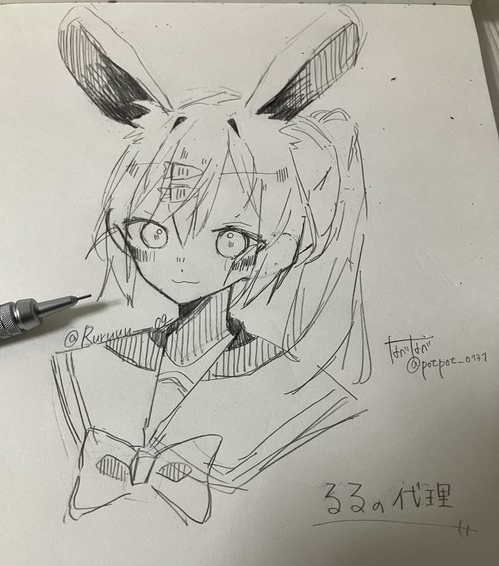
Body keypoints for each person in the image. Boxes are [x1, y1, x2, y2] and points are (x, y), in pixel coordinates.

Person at [52, 7, 371, 523]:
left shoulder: (302, 394)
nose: (181, 260)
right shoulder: (86, 367)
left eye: (228, 238)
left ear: (277, 244)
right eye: (153, 232)